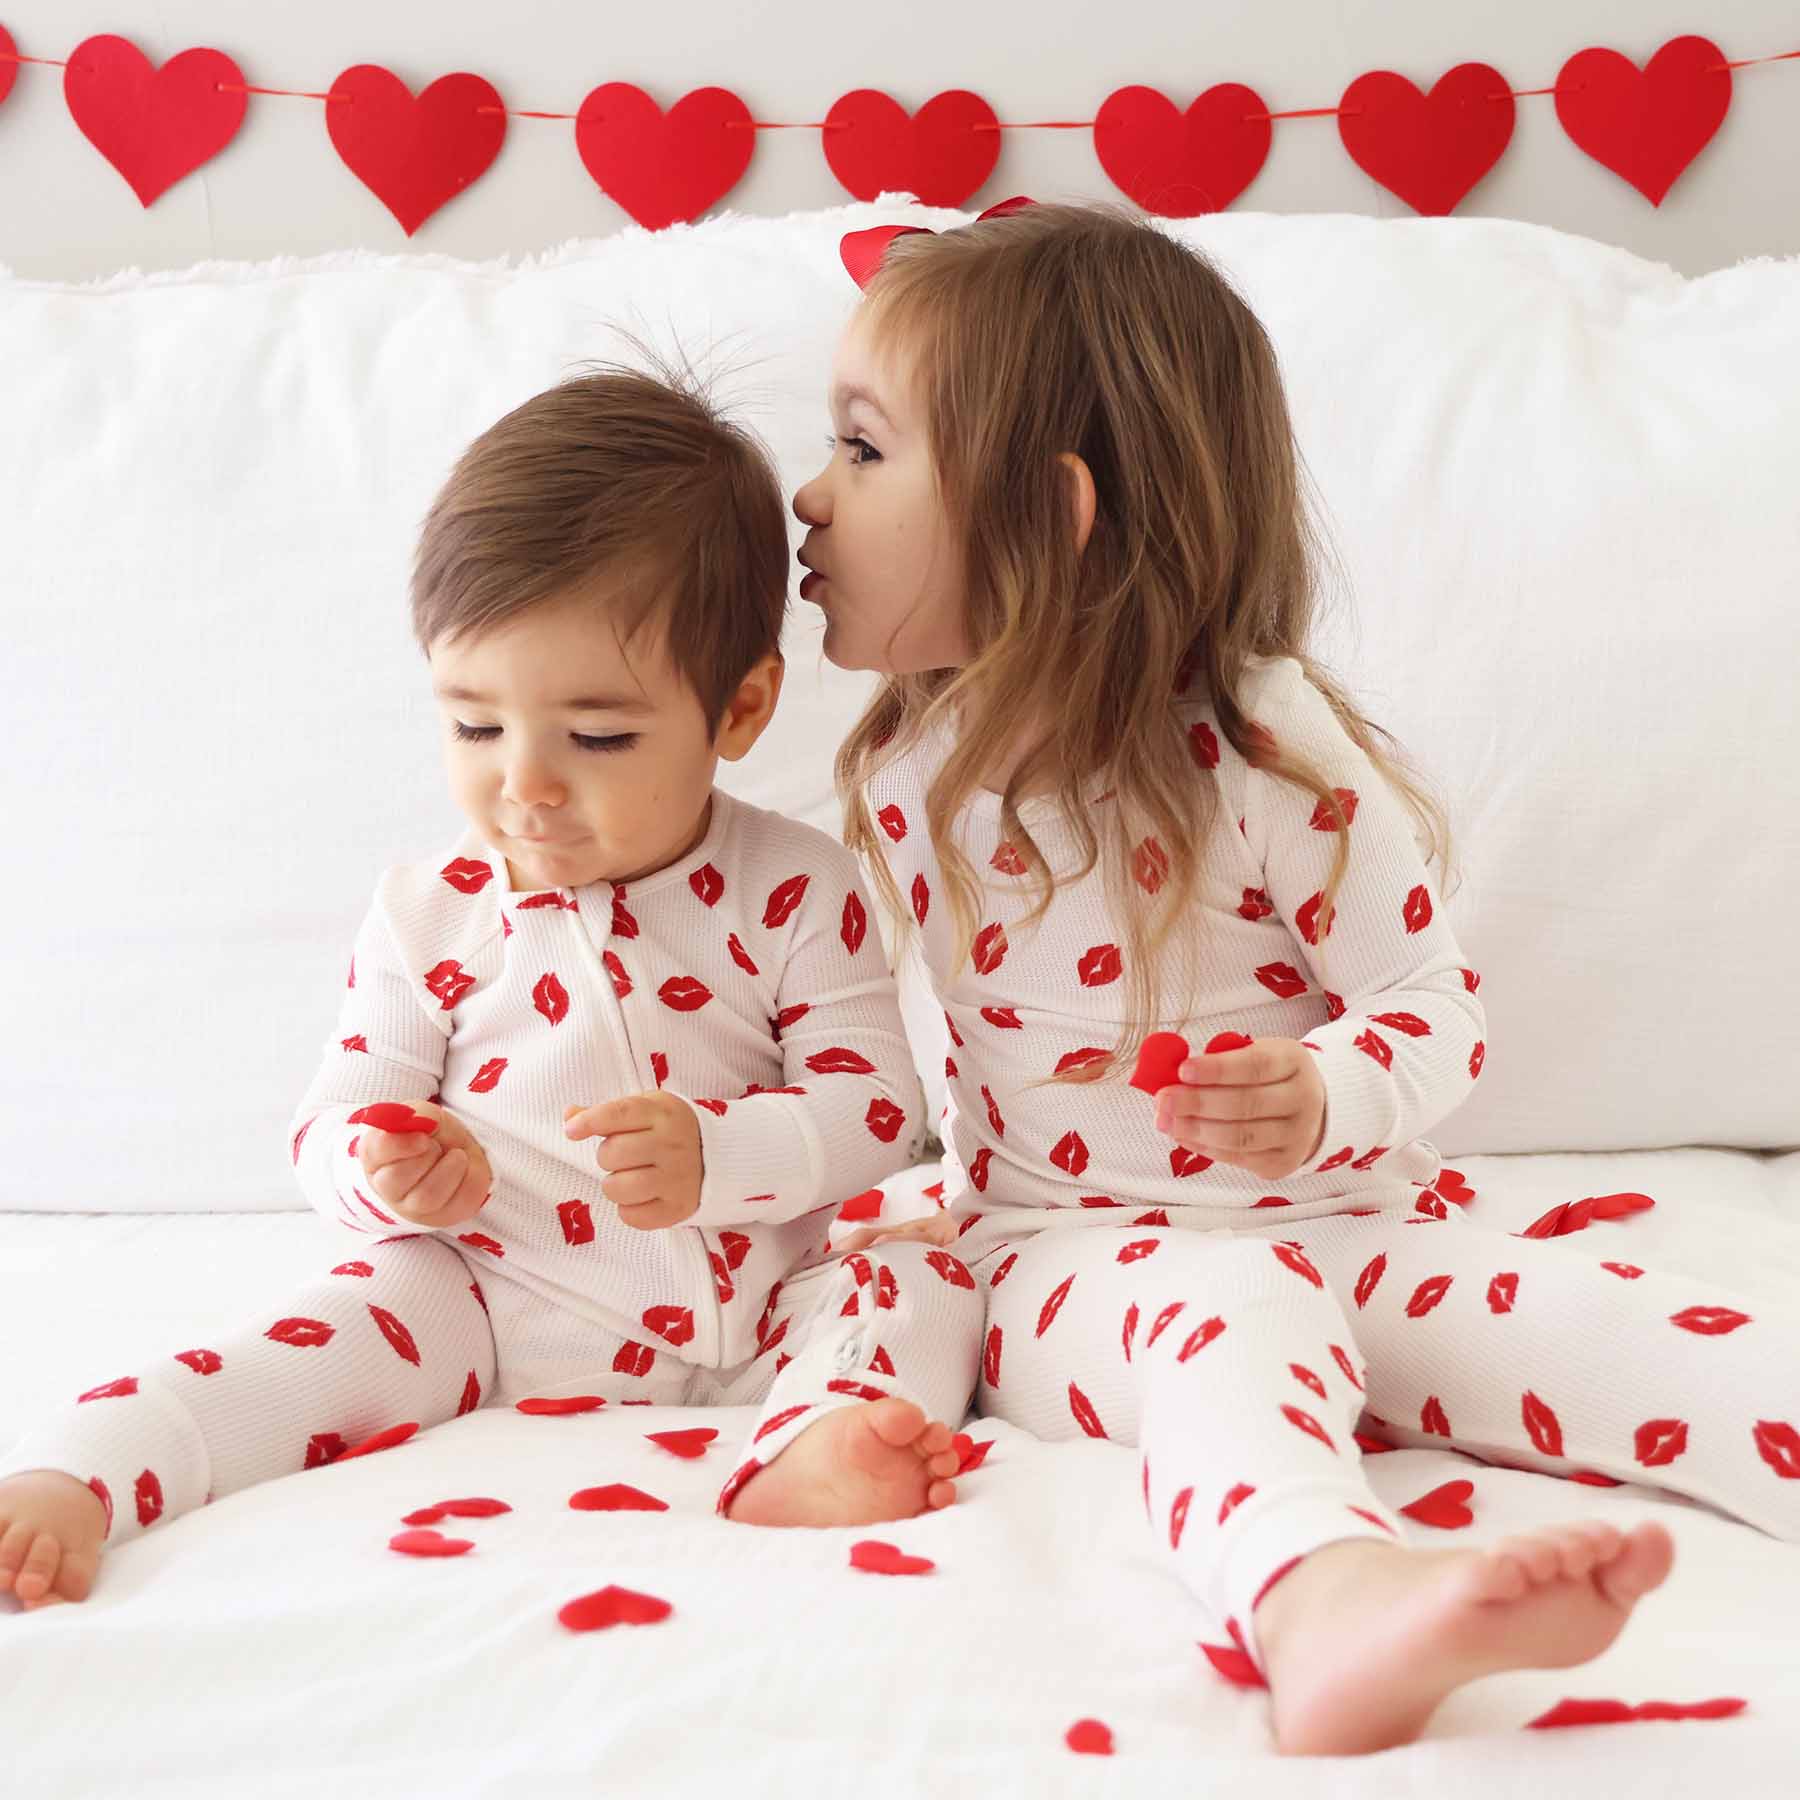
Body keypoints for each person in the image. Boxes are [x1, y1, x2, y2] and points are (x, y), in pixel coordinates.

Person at [791, 199, 1800, 1755]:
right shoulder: (905, 759)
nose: (808, 497)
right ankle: (1328, 1605)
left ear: (1047, 517)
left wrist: (1330, 1091)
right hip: (1072, 1266)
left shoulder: (1262, 753)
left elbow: (1432, 1015)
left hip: (1355, 1224)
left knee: (1628, 1333)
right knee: (1232, 1323)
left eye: (863, 450)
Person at [0, 368, 984, 1610]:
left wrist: (721, 1154)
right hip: (491, 1295)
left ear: (738, 708)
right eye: (475, 727)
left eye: (601, 736)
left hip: (763, 1295)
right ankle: (88, 1471)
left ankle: (818, 1436)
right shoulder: (428, 912)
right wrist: (387, 1163)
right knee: (319, 1334)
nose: (526, 786)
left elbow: (881, 1111)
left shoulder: (795, 884)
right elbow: (329, 1124)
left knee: (925, 1279)